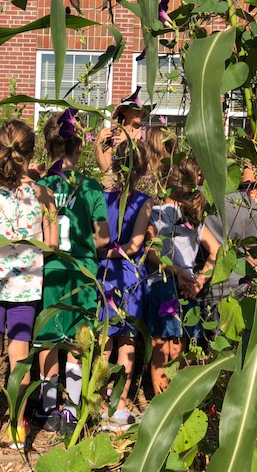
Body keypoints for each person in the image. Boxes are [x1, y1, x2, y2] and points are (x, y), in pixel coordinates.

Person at [0, 120, 58, 449]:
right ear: (31, 152)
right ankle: (18, 423)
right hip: (26, 284)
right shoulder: (44, 194)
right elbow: (53, 244)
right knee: (20, 353)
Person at [34, 109, 110, 434]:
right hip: (82, 274)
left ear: (49, 147)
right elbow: (104, 237)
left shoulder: (41, 185)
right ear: (79, 147)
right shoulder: (90, 187)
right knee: (79, 344)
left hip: (51, 271)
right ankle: (73, 412)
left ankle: (49, 409)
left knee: (48, 339)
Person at [145, 157, 220, 394]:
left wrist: (173, 270)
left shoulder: (156, 214)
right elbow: (217, 251)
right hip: (187, 285)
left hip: (162, 283)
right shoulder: (193, 218)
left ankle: (160, 399)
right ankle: (178, 397)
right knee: (181, 345)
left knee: (160, 345)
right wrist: (199, 280)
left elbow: (150, 251)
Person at [97, 141, 153, 432]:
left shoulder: (103, 197)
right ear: (143, 169)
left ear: (116, 165)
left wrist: (103, 253)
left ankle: (99, 404)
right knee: (126, 341)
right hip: (129, 276)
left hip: (104, 273)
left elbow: (99, 237)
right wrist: (118, 252)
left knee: (104, 339)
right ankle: (119, 407)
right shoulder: (144, 201)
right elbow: (136, 244)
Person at [196, 164, 257, 326]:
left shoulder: (197, 199)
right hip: (237, 285)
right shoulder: (247, 203)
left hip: (203, 283)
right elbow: (255, 250)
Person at [95, 87, 155, 175]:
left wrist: (126, 143)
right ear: (124, 111)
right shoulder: (114, 134)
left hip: (143, 183)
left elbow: (154, 163)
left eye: (141, 109)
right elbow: (104, 167)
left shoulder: (149, 132)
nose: (140, 111)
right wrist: (97, 145)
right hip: (120, 182)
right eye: (135, 108)